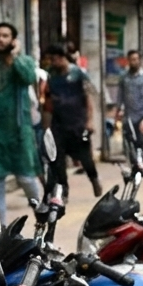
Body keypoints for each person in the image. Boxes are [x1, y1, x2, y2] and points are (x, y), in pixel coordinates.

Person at [0, 22, 42, 224]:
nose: (1, 39)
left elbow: (28, 78)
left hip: (20, 132)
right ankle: (1, 235)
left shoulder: (24, 62)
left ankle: (42, 217)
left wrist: (15, 56)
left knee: (27, 179)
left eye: (5, 36)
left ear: (13, 40)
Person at [44, 43, 103, 199]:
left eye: (55, 59)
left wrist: (90, 121)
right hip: (59, 124)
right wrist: (47, 125)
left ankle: (94, 179)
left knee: (85, 158)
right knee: (57, 159)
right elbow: (48, 102)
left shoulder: (78, 74)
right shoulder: (51, 75)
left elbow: (89, 98)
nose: (53, 63)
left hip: (78, 123)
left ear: (63, 58)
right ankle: (63, 189)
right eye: (51, 60)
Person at [119, 50, 143, 155]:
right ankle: (132, 165)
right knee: (128, 141)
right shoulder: (124, 78)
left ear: (139, 60)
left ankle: (140, 165)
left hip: (142, 114)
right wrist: (119, 109)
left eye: (135, 59)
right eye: (131, 60)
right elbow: (120, 95)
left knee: (140, 142)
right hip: (128, 115)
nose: (133, 62)